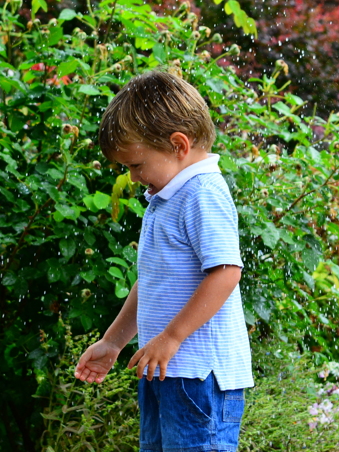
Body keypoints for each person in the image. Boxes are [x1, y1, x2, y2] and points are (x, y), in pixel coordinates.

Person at [75, 70, 253, 452]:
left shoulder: (202, 193)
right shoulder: (169, 197)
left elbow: (226, 273)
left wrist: (170, 338)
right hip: (164, 370)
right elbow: (153, 281)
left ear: (178, 145)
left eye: (137, 165)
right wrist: (113, 341)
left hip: (199, 377)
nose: (133, 176)